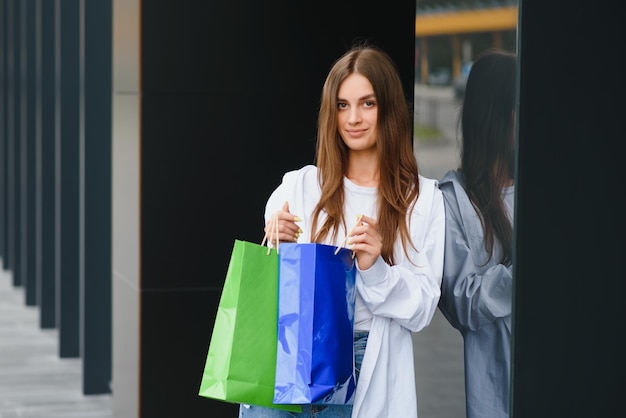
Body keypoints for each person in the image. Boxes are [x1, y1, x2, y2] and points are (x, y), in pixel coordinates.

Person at [238, 44, 445, 418]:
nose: (354, 117)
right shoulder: (301, 184)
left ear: (389, 108)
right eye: (342, 105)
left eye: (367, 103)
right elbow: (275, 224)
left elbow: (422, 309)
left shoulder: (423, 199)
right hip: (287, 352)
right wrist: (275, 235)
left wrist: (375, 267)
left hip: (361, 363)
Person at [437, 49, 517, 418]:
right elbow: (460, 302)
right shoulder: (453, 199)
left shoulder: (550, 187)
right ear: (496, 116)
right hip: (495, 396)